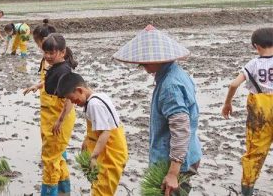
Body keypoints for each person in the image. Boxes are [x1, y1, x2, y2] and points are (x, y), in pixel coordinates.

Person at [113, 24, 202, 196]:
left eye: (144, 61)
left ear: (158, 58)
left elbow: (181, 130)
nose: (142, 65)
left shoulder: (170, 86)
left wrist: (173, 173)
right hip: (185, 155)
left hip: (174, 163)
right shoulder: (177, 73)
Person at [56, 72, 129, 195]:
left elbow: (105, 132)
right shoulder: (96, 98)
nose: (73, 103)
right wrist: (86, 140)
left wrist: (94, 157)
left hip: (110, 153)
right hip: (106, 150)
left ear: (80, 90)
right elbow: (96, 127)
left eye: (73, 99)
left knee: (102, 191)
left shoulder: (94, 104)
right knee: (98, 187)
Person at [221, 27, 273, 196]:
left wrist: (227, 103)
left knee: (255, 152)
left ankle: (247, 190)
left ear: (256, 46)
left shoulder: (253, 64)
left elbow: (234, 84)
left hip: (260, 109)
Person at [25, 33, 77, 195]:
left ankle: (49, 191)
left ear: (62, 52)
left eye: (51, 53)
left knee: (49, 159)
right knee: (57, 156)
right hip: (49, 117)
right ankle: (63, 189)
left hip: (58, 119)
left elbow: (70, 99)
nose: (47, 56)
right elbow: (50, 82)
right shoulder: (56, 68)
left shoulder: (64, 71)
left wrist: (60, 120)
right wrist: (37, 86)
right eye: (45, 52)